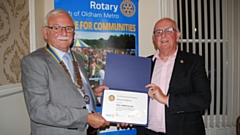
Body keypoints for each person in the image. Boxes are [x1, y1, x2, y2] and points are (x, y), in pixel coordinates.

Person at [21, 9, 110, 135]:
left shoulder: (77, 58)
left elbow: (74, 92)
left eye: (69, 28)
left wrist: (93, 94)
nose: (64, 32)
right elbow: (39, 110)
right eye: (56, 28)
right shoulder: (34, 62)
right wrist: (85, 117)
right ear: (45, 32)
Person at [137, 18, 211, 135]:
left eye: (169, 30)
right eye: (158, 32)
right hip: (147, 132)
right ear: (154, 39)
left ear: (178, 36)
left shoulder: (193, 62)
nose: (163, 35)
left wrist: (166, 99)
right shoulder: (144, 64)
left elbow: (203, 100)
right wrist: (127, 116)